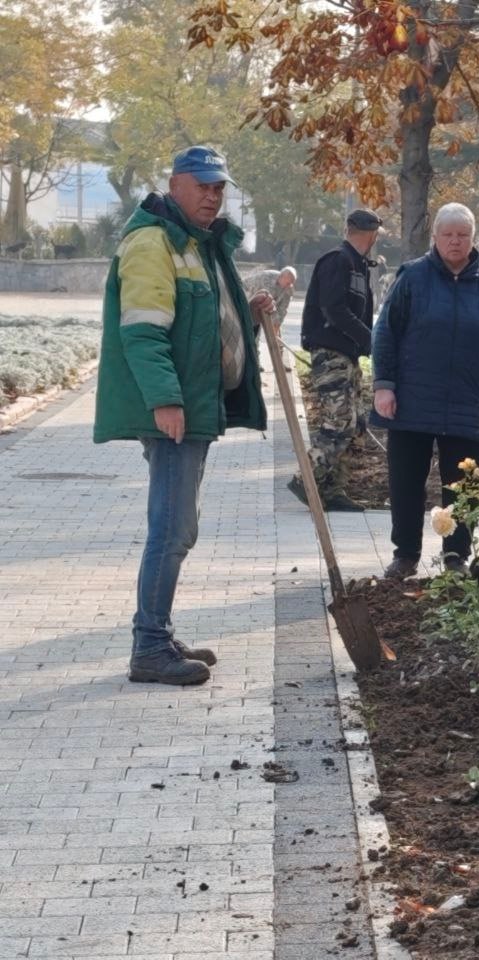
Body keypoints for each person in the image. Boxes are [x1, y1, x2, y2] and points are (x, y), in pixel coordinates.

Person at [93, 145, 273, 686]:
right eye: (202, 186)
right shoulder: (154, 243)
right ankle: (149, 648)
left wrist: (252, 315)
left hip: (193, 407)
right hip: (175, 411)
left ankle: (159, 631)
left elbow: (208, 331)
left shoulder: (197, 245)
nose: (213, 196)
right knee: (171, 530)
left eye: (218, 187)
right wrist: (165, 400)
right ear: (175, 184)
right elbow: (143, 333)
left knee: (179, 528)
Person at [372, 202, 479, 577]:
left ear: (473, 239)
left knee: (463, 487)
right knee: (406, 483)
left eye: (462, 235)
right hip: (412, 402)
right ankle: (405, 555)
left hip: (470, 404)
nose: (455, 242)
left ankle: (456, 557)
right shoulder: (412, 278)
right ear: (435, 237)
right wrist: (384, 386)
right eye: (448, 235)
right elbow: (385, 333)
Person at [289, 209, 384, 512]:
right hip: (331, 353)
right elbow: (334, 309)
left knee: (354, 423)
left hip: (347, 355)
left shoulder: (357, 265)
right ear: (374, 236)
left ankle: (332, 489)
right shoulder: (338, 261)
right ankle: (308, 477)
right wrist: (370, 338)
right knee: (340, 421)